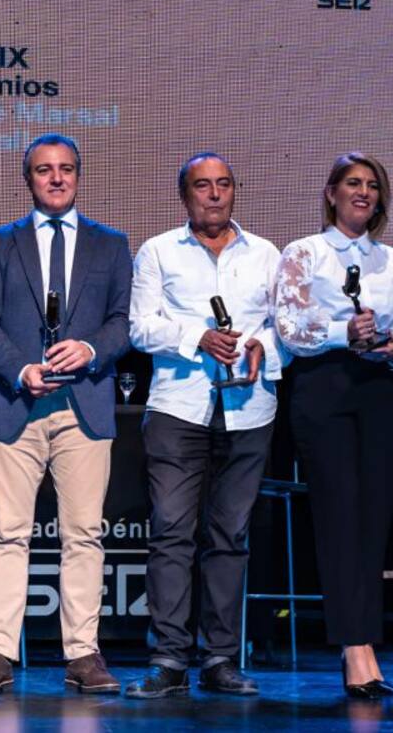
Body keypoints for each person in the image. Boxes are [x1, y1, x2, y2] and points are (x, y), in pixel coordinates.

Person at [0, 133, 131, 696]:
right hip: (15, 402)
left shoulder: (110, 244)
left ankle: (83, 654)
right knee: (7, 533)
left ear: (78, 176)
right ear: (27, 179)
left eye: (66, 169)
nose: (56, 178)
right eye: (44, 170)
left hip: (85, 404)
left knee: (83, 535)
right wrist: (20, 369)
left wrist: (90, 349)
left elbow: (123, 321)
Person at [274, 152, 393, 699]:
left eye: (372, 185)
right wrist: (342, 331)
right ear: (331, 193)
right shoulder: (304, 252)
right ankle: (355, 648)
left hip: (380, 390)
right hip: (324, 388)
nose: (363, 192)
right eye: (352, 183)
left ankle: (364, 641)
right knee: (339, 516)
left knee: (373, 519)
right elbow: (289, 326)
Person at [125, 153, 286, 699]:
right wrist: (197, 337)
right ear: (184, 195)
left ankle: (220, 658)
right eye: (202, 185)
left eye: (223, 184)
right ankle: (169, 659)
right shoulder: (158, 251)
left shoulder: (266, 254)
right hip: (179, 408)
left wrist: (263, 345)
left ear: (235, 190)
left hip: (249, 408)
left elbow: (287, 327)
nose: (214, 194)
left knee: (229, 537)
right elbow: (140, 327)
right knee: (171, 532)